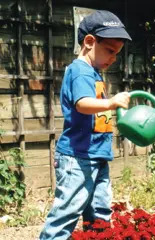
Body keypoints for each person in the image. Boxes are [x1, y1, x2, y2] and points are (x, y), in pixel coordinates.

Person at [39, 10, 132, 240]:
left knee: (100, 212)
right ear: (89, 42)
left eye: (117, 53)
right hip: (77, 157)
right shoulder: (81, 71)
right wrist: (111, 103)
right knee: (67, 212)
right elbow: (82, 104)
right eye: (110, 50)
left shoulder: (94, 73)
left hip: (96, 155)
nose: (113, 58)